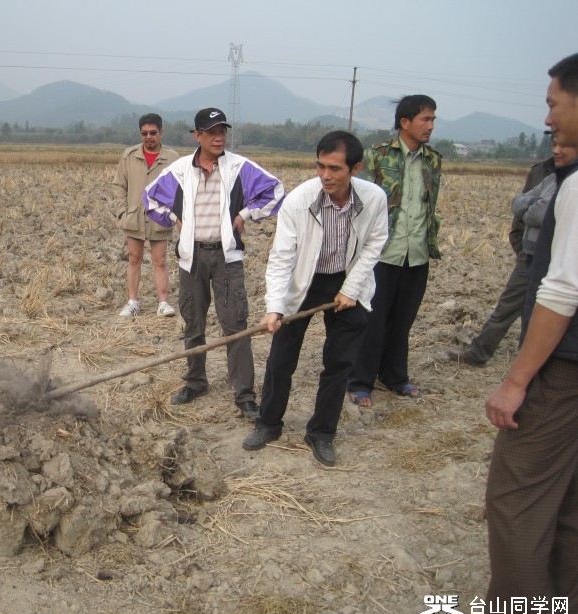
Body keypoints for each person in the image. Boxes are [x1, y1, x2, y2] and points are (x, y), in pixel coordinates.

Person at [482, 52, 578, 614]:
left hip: (564, 370)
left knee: (516, 498)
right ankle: (559, 607)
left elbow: (562, 291)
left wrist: (516, 380)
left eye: (553, 104)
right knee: (566, 497)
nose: (548, 119)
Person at [241, 131, 388, 466]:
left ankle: (321, 433)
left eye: (335, 168)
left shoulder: (374, 199)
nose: (325, 175)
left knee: (339, 363)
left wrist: (351, 289)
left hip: (346, 280)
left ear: (356, 169)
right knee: (281, 357)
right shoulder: (299, 201)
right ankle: (268, 423)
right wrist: (275, 308)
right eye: (321, 166)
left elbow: (374, 245)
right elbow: (282, 257)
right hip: (304, 281)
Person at [144, 108, 284, 419]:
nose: (219, 137)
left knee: (235, 325)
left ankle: (244, 394)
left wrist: (245, 214)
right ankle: (195, 381)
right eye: (211, 132)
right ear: (197, 136)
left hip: (227, 258)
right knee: (193, 323)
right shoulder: (181, 170)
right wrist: (174, 218)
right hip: (192, 258)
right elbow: (150, 198)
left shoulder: (239, 167)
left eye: (222, 131)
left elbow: (276, 191)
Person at [347, 95, 441, 407]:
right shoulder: (376, 156)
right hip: (381, 254)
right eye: (425, 119)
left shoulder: (432, 160)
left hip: (416, 254)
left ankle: (395, 376)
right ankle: (360, 381)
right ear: (405, 122)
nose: (430, 125)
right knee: (372, 321)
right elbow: (358, 203)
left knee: (403, 321)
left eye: (432, 119)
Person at [446, 151, 556, 367]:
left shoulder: (570, 182)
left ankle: (536, 361)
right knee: (508, 305)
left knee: (545, 310)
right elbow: (518, 203)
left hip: (555, 255)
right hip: (530, 254)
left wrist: (534, 206)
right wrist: (536, 205)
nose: (557, 148)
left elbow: (540, 213)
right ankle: (478, 353)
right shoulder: (547, 174)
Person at [112, 113, 181, 318]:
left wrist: (174, 213)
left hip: (160, 218)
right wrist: (122, 212)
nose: (148, 137)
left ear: (161, 132)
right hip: (134, 217)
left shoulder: (173, 158)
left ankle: (163, 303)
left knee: (160, 260)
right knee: (134, 259)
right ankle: (132, 302)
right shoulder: (129, 156)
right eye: (144, 133)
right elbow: (119, 185)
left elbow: (181, 188)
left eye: (153, 133)